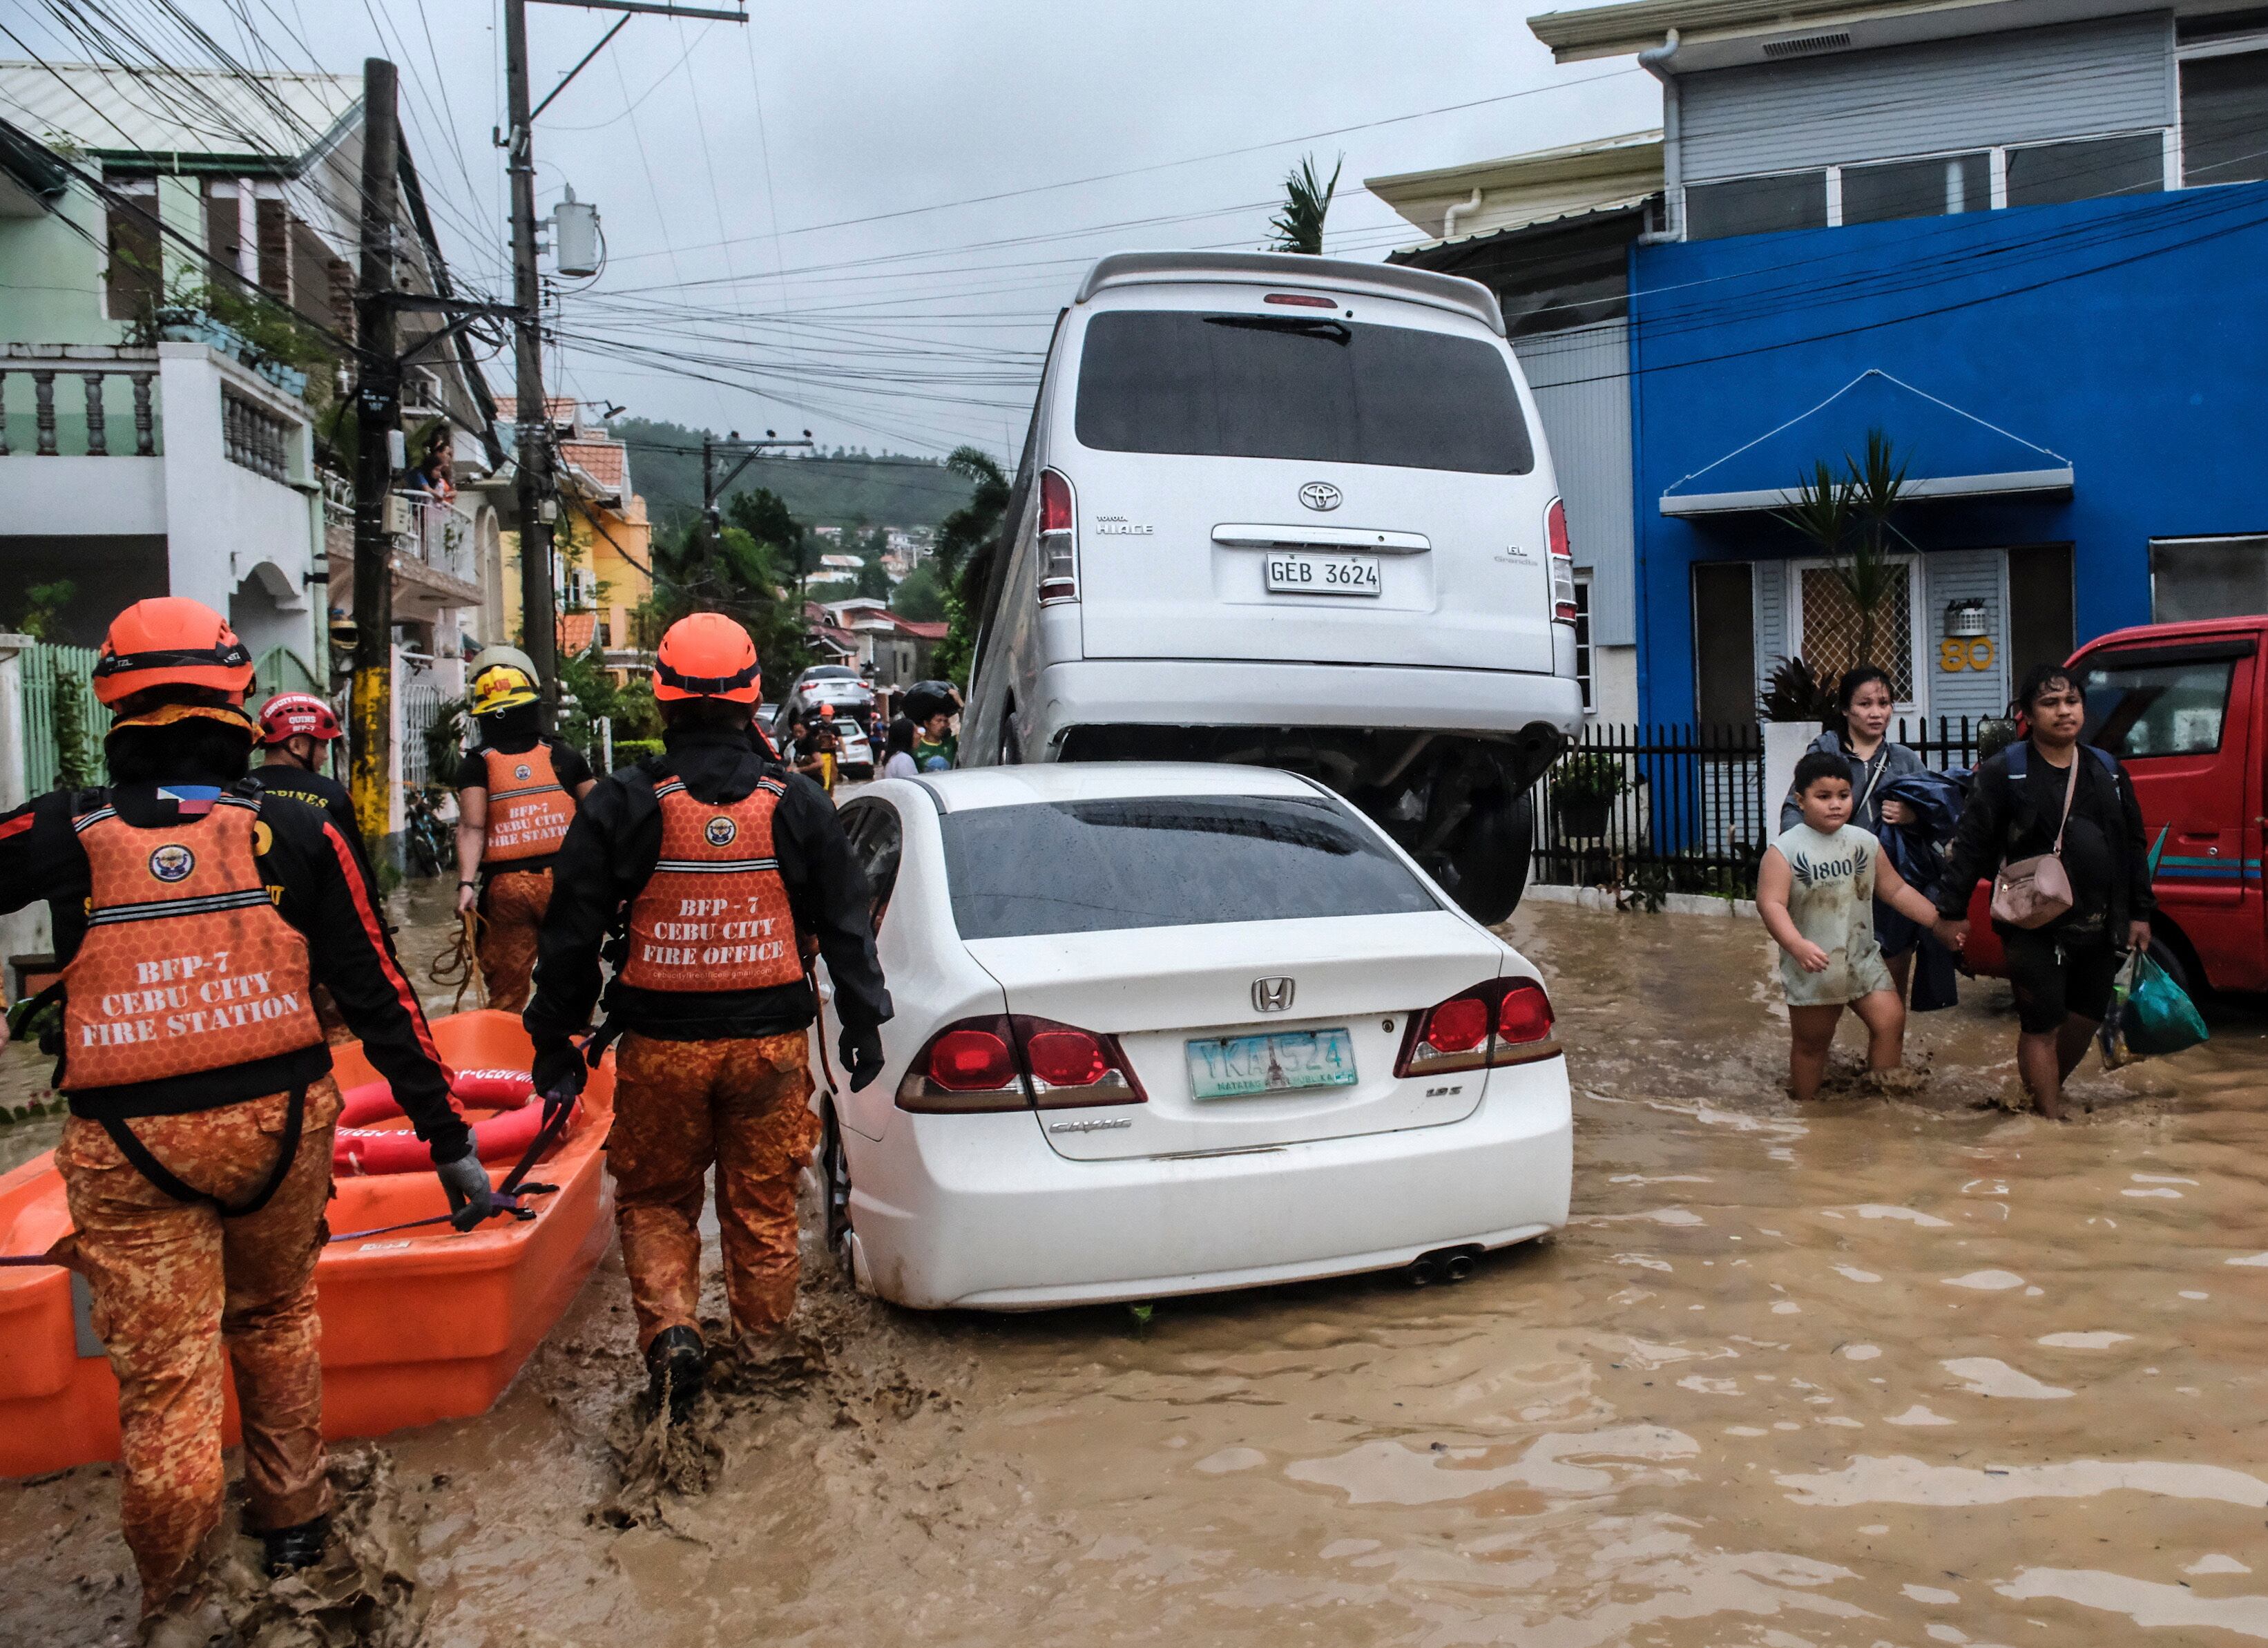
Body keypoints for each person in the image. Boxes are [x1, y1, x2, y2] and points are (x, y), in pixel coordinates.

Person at [0, 598, 487, 1628]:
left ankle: (180, 1602)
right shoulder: (301, 825)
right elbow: (380, 991)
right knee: (275, 1321)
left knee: (167, 1382)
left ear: (111, 699)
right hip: (279, 1131)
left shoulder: (60, 827)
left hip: (129, 1143)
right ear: (240, 698)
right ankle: (296, 1531)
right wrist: (448, 1142)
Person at [523, 613, 890, 1414]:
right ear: (753, 699)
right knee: (761, 1207)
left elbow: (570, 936)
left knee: (656, 1198)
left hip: (660, 1049)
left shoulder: (623, 801)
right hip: (770, 1049)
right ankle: (764, 1358)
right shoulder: (796, 800)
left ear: (660, 698)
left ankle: (672, 1333)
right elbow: (847, 920)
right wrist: (864, 1023)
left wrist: (554, 1042)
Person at [1935, 663, 2153, 1120]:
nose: (2064, 711)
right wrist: (1951, 911)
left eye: (2072, 701)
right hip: (2031, 925)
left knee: (2087, 1018)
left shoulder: (2108, 771)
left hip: (2098, 923)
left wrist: (2140, 913)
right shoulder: (2005, 772)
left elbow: (2133, 846)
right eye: (2050, 703)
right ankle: (2049, 1124)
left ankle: (2041, 1096)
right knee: (2041, 1024)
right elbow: (1971, 844)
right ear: (2029, 715)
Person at [1759, 750, 1950, 1102]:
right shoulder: (1784, 850)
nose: (1836, 804)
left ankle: (1881, 1103)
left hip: (1862, 957)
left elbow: (1896, 891)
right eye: (1823, 796)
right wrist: (1797, 945)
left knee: (1890, 1020)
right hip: (1815, 965)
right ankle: (1806, 1111)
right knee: (1812, 1045)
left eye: (1843, 795)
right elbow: (1770, 904)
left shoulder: (1865, 842)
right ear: (1800, 801)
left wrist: (1938, 922)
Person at [454, 646, 595, 1010]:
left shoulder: (476, 764)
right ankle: (572, 1040)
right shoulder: (564, 757)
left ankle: (507, 1045)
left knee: (506, 993)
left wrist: (466, 885)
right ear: (532, 706)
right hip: (565, 885)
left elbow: (472, 828)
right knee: (572, 986)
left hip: (506, 890)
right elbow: (601, 816)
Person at [1779, 667, 1928, 998]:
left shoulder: (1904, 761)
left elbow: (1938, 817)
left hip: (1891, 887)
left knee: (1890, 996)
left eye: (1884, 703)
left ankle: (1885, 1033)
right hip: (1836, 886)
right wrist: (1805, 861)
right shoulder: (1825, 755)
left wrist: (1912, 816)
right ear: (1845, 709)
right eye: (1865, 704)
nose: (1876, 713)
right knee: (1828, 985)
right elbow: (1793, 809)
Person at [243, 692, 376, 1042]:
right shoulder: (331, 795)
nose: (325, 755)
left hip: (255, 942)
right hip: (321, 944)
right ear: (298, 744)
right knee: (339, 1037)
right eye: (323, 745)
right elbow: (358, 879)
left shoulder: (236, 794)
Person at [913, 707, 957, 772]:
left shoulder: (951, 743)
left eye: (945, 721)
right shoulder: (916, 745)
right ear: (926, 724)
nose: (943, 725)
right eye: (938, 721)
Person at [879, 716, 921, 781]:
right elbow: (911, 784)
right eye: (915, 732)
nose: (919, 735)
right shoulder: (904, 760)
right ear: (906, 735)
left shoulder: (895, 758)